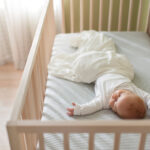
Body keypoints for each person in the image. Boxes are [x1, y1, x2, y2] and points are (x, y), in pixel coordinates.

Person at [66, 73, 150, 119]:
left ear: (116, 112)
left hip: (98, 74)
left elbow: (92, 106)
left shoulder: (105, 101)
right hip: (116, 71)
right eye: (120, 95)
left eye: (115, 105)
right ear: (131, 93)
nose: (114, 98)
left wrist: (79, 109)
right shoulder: (134, 90)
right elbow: (148, 97)